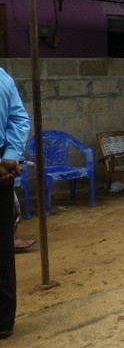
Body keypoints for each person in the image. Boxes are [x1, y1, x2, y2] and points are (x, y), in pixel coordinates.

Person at [0, 67, 31, 340]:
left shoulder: (2, 78)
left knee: (2, 244)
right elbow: (19, 120)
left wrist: (8, 156)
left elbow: (19, 118)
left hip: (3, 168)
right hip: (3, 166)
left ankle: (3, 320)